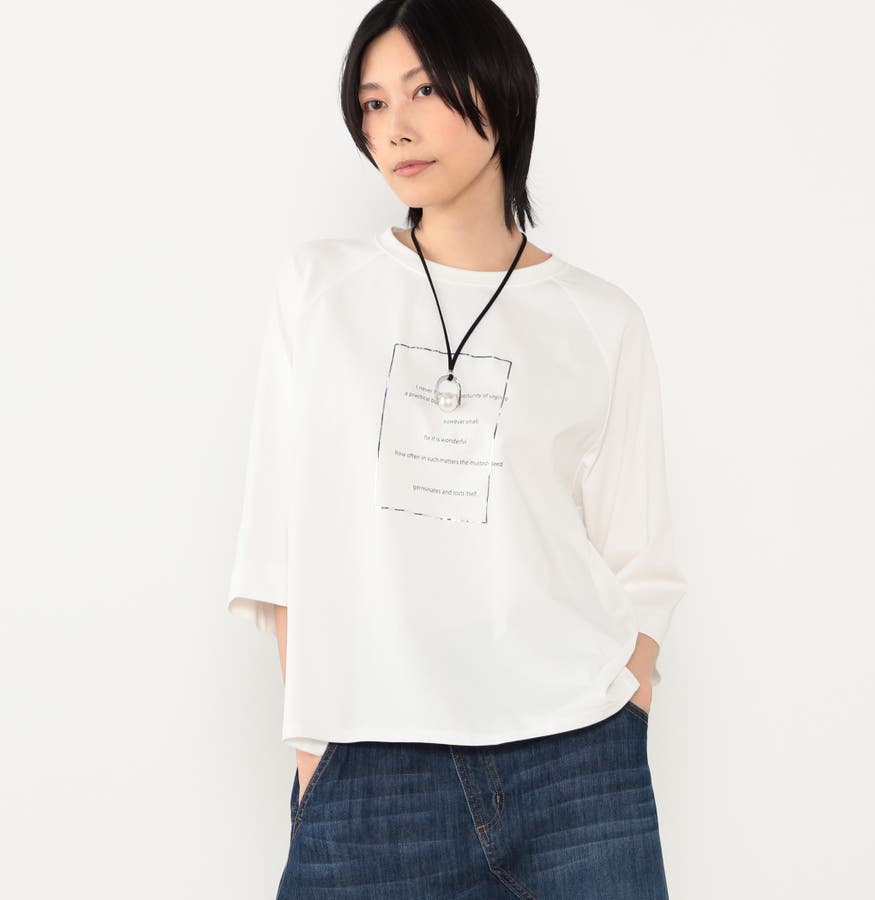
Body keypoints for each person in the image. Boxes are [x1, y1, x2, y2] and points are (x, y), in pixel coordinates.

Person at [226, 1, 687, 896]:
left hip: (576, 762)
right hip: (371, 769)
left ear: (499, 90)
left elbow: (640, 556)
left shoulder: (601, 321)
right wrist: (317, 741)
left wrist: (626, 701)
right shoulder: (320, 289)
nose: (394, 126)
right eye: (372, 103)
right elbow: (278, 537)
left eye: (424, 90)